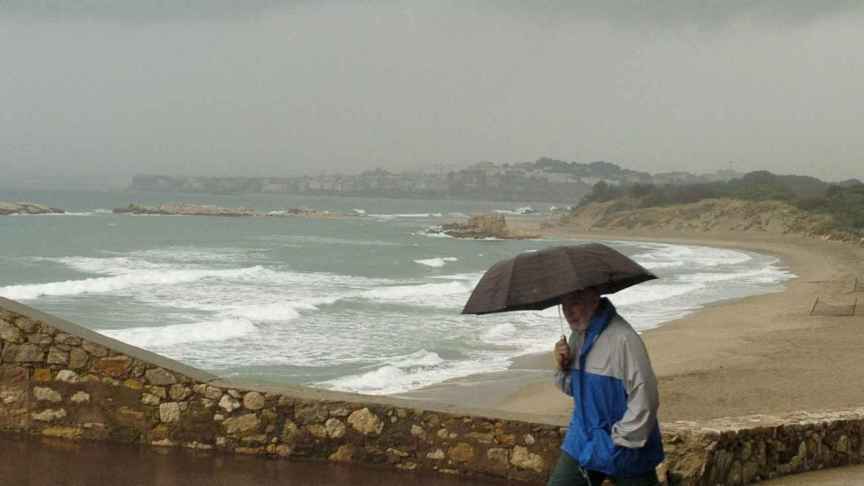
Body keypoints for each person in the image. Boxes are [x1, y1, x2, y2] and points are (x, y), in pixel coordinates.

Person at [547, 287, 664, 486]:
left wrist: (620, 439)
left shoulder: (624, 339)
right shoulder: (577, 337)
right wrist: (562, 366)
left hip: (624, 446)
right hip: (582, 438)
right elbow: (575, 390)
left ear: (594, 299)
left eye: (575, 302)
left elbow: (646, 398)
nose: (568, 311)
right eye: (564, 305)